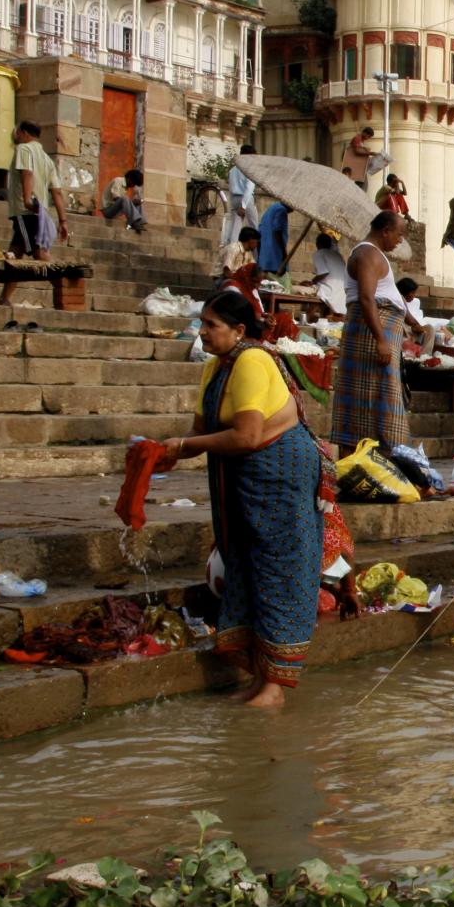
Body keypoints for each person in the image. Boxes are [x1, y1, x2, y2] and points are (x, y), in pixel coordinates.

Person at [161, 290, 327, 708]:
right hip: (243, 482)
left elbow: (248, 435)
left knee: (278, 571)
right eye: (201, 322)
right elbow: (201, 433)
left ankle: (274, 688)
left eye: (211, 325)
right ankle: (258, 679)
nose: (202, 332)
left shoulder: (252, 360)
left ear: (238, 330)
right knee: (247, 566)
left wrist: (183, 443)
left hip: (280, 480)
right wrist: (163, 452)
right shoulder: (215, 368)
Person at [330, 211, 410, 456]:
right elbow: (367, 298)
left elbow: (388, 294)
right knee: (370, 398)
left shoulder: (377, 256)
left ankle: (383, 458)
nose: (400, 240)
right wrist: (381, 339)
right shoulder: (367, 254)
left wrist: (414, 324)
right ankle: (368, 458)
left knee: (383, 395)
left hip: (379, 336)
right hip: (369, 338)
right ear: (385, 229)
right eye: (399, 234)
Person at [0, 121, 66, 302]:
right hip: (39, 213)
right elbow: (57, 191)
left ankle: (66, 288)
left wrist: (27, 199)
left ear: (23, 133)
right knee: (16, 254)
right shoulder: (46, 158)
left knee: (41, 254)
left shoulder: (24, 149)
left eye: (17, 133)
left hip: (25, 211)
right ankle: (4, 298)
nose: (16, 136)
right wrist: (63, 220)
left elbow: (27, 173)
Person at [396, 277, 443, 354]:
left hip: (408, 331)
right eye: (412, 293)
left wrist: (417, 327)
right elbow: (410, 320)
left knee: (429, 328)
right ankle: (422, 355)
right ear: (405, 291)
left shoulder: (404, 300)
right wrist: (417, 326)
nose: (414, 296)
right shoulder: (399, 299)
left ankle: (424, 355)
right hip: (400, 333)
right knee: (427, 330)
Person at [222, 144, 258, 245]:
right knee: (254, 227)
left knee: (235, 228)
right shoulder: (249, 169)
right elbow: (249, 188)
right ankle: (256, 254)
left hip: (234, 199)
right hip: (246, 199)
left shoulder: (233, 170)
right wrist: (243, 205)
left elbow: (231, 186)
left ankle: (231, 250)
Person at [310, 234, 348, 316]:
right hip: (342, 290)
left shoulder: (319, 254)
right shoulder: (338, 255)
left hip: (329, 289)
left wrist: (312, 281)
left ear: (317, 244)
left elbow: (323, 273)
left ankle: (308, 317)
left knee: (316, 291)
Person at [256, 201, 289, 274]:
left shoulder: (273, 207)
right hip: (274, 254)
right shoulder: (282, 210)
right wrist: (284, 253)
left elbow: (260, 229)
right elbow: (277, 231)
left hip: (265, 254)